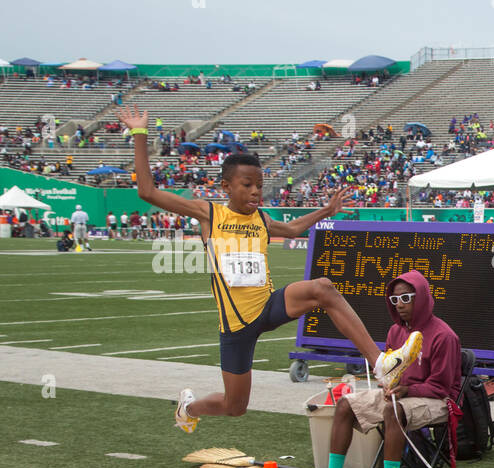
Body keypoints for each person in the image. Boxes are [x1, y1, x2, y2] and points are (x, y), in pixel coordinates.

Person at [116, 105, 421, 433]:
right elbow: (146, 191)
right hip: (236, 327)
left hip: (268, 306)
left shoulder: (261, 219)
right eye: (247, 185)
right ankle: (189, 407)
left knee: (322, 288)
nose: (255, 191)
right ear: (225, 188)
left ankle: (380, 363)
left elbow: (290, 230)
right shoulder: (210, 215)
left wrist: (327, 210)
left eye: (259, 185)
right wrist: (140, 133)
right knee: (235, 407)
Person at [296, 271, 462, 468]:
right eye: (395, 300)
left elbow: (442, 388)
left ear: (423, 297)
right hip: (401, 395)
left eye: (406, 297)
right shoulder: (395, 331)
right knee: (344, 404)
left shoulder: (444, 336)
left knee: (392, 410)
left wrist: (407, 390)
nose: (400, 304)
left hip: (437, 400)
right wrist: (388, 385)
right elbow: (390, 371)